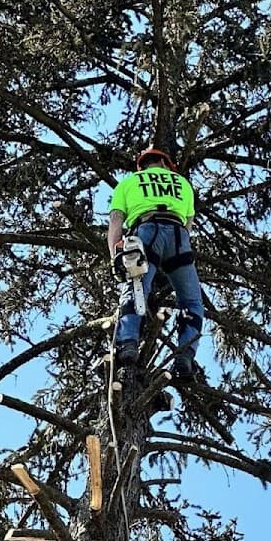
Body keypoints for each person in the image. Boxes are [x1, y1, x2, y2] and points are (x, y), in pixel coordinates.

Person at [107, 146, 205, 381]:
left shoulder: (129, 183)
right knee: (191, 300)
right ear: (164, 163)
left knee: (135, 288)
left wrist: (114, 256)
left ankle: (128, 343)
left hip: (146, 231)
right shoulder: (182, 184)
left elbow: (115, 221)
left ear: (143, 166)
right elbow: (188, 224)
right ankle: (185, 355)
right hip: (179, 237)